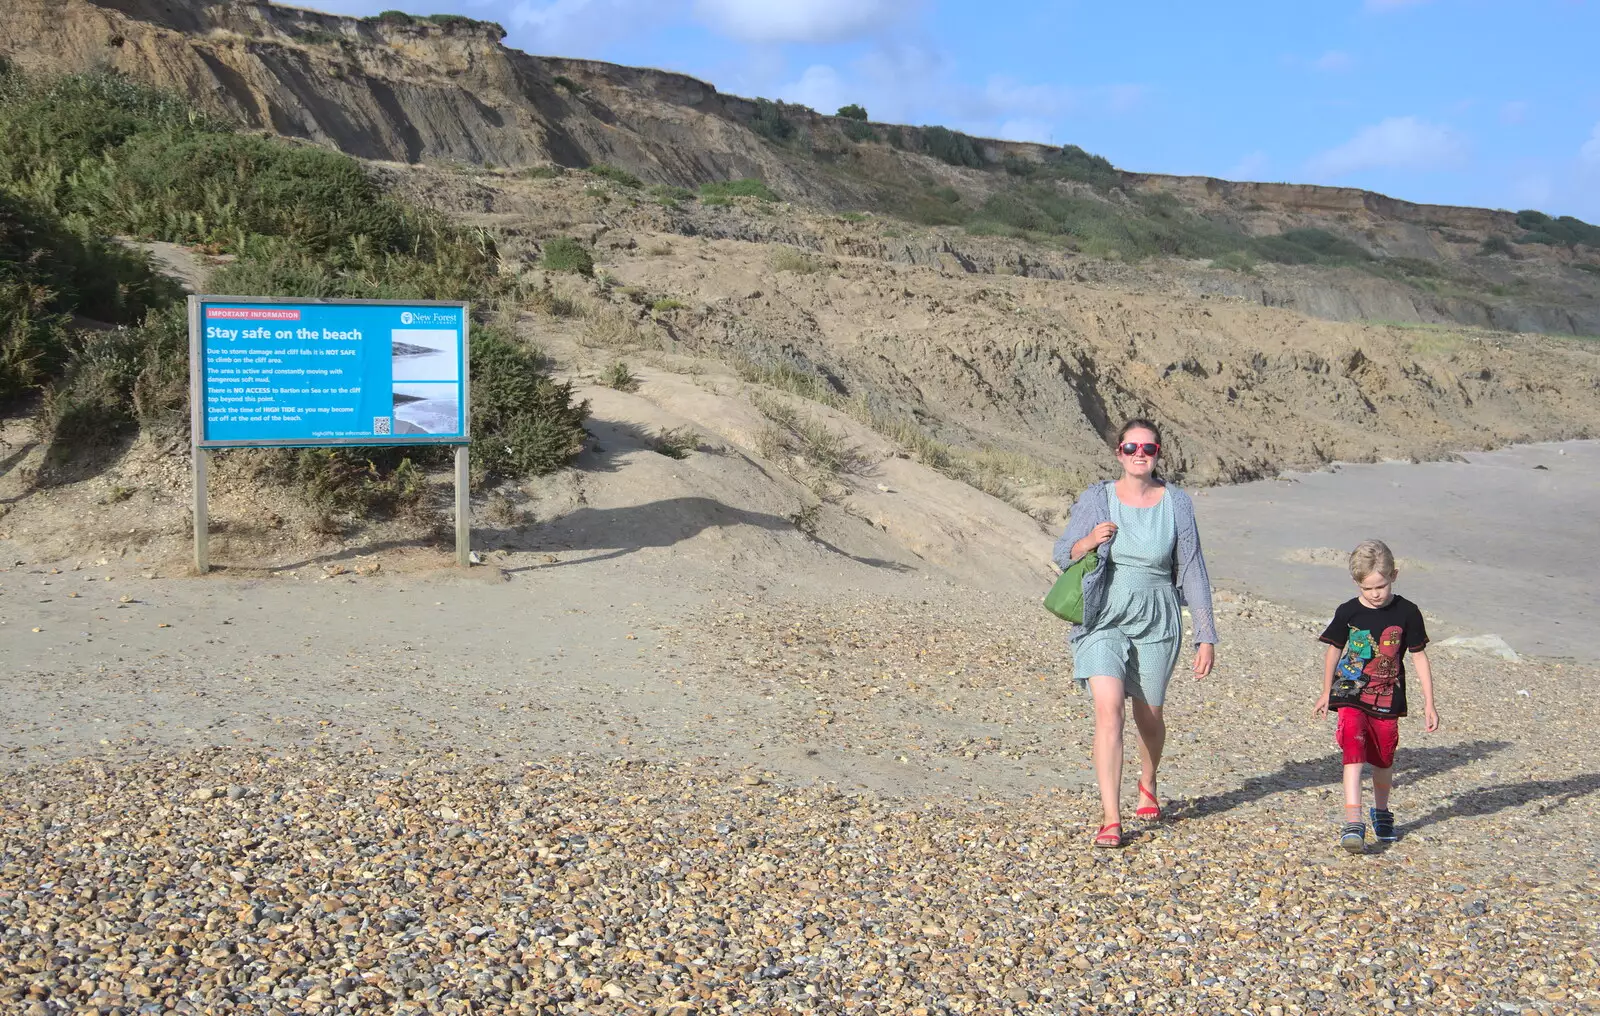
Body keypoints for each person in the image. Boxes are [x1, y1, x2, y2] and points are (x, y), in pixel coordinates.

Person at [1054, 419, 1217, 848]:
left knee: (1149, 716)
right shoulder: (1098, 498)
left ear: (1158, 452)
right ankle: (1111, 817)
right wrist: (1089, 539)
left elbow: (1194, 569)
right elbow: (1062, 553)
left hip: (1158, 617)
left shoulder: (1177, 503)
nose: (1139, 454)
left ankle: (1148, 780)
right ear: (1119, 453)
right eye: (1131, 447)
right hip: (1103, 616)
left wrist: (1206, 634)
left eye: (1148, 448)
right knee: (1109, 710)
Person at [1313, 540, 1439, 853]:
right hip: (1350, 692)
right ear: (1356, 583)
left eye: (1380, 586)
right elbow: (1333, 651)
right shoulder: (1348, 611)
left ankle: (1381, 812)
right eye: (1367, 588)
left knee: (1383, 759)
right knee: (1353, 747)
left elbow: (1419, 657)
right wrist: (1325, 691)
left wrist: (1429, 703)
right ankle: (1353, 820)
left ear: (1394, 575)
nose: (1375, 594)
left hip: (1387, 697)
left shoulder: (1408, 612)